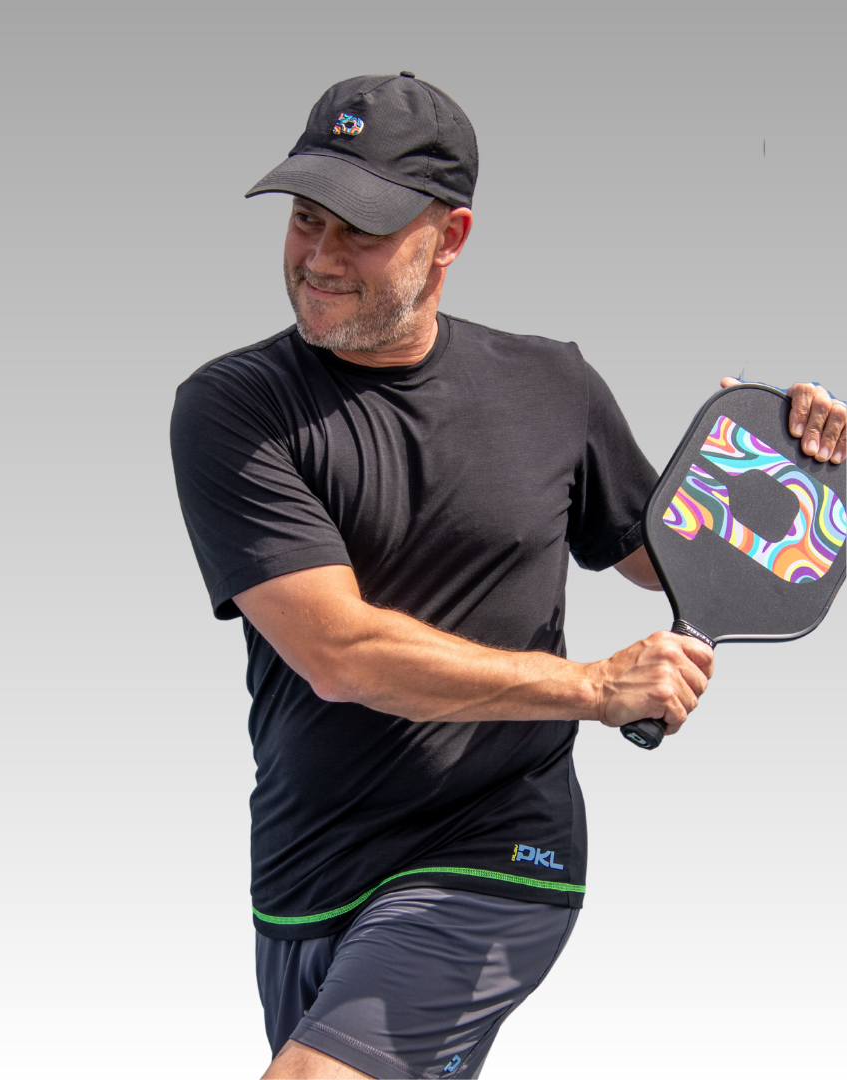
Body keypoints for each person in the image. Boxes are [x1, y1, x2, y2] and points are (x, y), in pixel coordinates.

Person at [170, 73, 846, 1080]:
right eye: (306, 221)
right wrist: (593, 689)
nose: (318, 256)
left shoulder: (551, 387)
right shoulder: (233, 409)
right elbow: (337, 652)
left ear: (450, 238)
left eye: (358, 230)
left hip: (497, 846)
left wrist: (779, 464)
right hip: (307, 867)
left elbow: (669, 557)